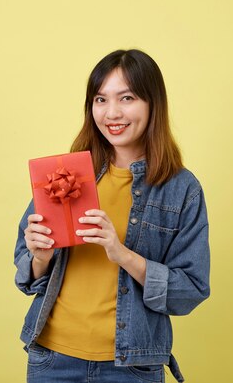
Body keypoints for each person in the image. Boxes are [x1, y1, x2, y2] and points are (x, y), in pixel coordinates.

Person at [14, 49, 210, 383]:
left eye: (127, 98)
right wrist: (40, 258)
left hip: (131, 368)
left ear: (152, 104)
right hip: (52, 360)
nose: (112, 113)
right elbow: (26, 273)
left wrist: (122, 254)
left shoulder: (181, 189)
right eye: (101, 100)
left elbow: (189, 291)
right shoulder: (66, 173)